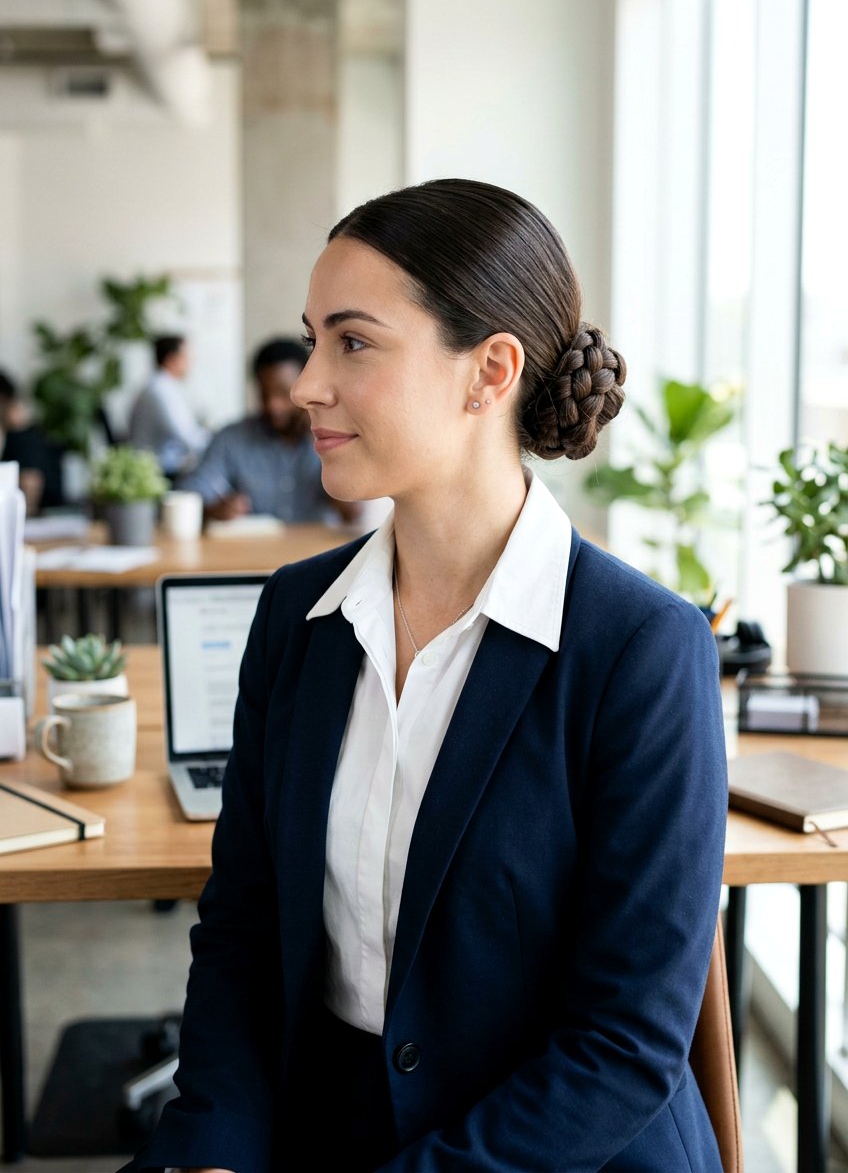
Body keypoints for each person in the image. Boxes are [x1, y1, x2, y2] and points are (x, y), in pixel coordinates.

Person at [124, 179, 727, 1172]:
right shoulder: (295, 617)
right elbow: (242, 930)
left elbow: (620, 1049)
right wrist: (213, 1147)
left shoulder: (639, 649)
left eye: (351, 342)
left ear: (488, 372)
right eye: (310, 338)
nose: (307, 382)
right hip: (328, 1123)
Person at [178, 336, 358, 525]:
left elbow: (354, 514)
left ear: (306, 387)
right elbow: (192, 492)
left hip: (321, 552)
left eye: (283, 393)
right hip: (254, 552)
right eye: (264, 394)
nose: (273, 406)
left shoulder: (337, 436)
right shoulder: (232, 438)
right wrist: (213, 509)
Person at [128, 335, 210, 478]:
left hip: (163, 466)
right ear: (171, 359)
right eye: (185, 357)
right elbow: (187, 437)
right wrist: (220, 442)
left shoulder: (163, 386)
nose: (190, 363)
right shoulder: (160, 390)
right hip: (158, 472)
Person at [0, 369, 64, 515]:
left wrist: (22, 523)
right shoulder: (30, 432)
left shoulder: (22, 436)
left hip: (45, 520)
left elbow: (31, 482)